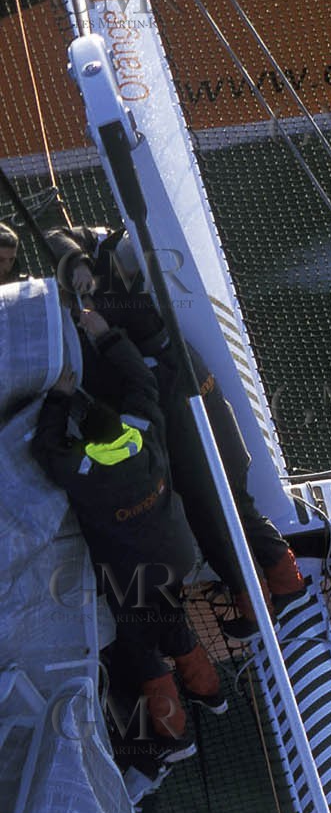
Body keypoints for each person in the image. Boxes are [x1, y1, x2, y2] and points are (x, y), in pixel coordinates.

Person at [46, 221, 305, 637]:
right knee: (235, 503)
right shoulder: (155, 311)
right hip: (199, 406)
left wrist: (102, 334)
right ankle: (283, 583)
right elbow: (59, 233)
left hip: (187, 420)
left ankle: (261, 602)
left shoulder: (138, 321)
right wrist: (77, 260)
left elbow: (140, 381)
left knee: (216, 514)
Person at [32, 306, 226, 765]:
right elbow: (141, 381)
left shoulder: (84, 470)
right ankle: (211, 693)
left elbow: (45, 447)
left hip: (132, 573)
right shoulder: (144, 432)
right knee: (170, 620)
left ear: (89, 441)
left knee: (140, 647)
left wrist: (59, 397)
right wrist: (107, 335)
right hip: (175, 555)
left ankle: (176, 739)